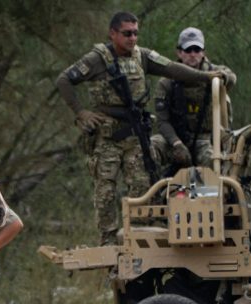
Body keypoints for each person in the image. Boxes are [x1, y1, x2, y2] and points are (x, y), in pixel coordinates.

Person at [56, 11, 229, 245]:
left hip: (135, 133)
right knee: (105, 189)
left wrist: (206, 76)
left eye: (136, 33)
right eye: (127, 33)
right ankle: (108, 238)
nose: (133, 38)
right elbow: (64, 80)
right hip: (107, 136)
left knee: (142, 183)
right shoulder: (97, 59)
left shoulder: (142, 56)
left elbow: (171, 69)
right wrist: (80, 112)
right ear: (113, 33)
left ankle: (141, 231)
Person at [153, 27, 236, 170]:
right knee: (148, 148)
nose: (193, 54)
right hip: (176, 139)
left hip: (205, 140)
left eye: (197, 50)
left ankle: (220, 191)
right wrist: (176, 143)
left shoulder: (214, 73)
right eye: (188, 50)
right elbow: (163, 121)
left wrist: (223, 78)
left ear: (203, 52)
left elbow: (231, 77)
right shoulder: (167, 82)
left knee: (215, 162)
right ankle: (151, 189)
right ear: (179, 52)